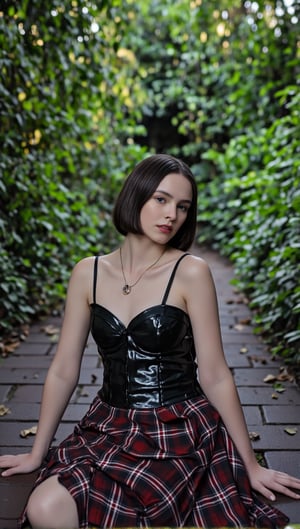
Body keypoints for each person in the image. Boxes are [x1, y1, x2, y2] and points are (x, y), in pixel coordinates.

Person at [0, 153, 299, 529]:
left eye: (183, 206)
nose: (172, 214)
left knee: (150, 510)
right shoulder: (87, 273)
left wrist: (251, 465)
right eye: (161, 199)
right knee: (45, 509)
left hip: (178, 427)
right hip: (108, 425)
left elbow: (215, 373)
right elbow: (63, 369)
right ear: (135, 196)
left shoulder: (191, 272)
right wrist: (36, 452)